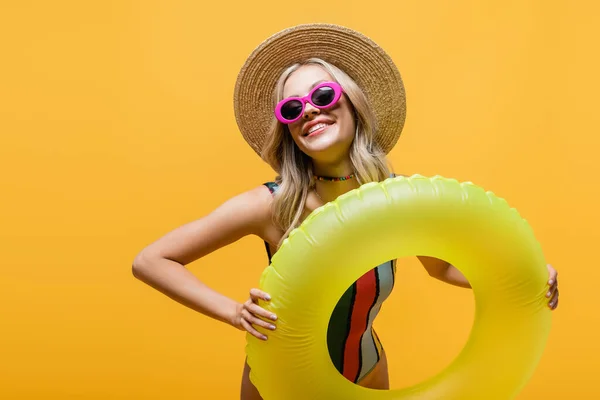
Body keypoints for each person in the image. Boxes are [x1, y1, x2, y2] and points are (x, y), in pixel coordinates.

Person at [132, 24, 559, 399]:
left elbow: (442, 268)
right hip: (281, 380)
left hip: (367, 370)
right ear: (288, 128)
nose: (310, 111)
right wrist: (232, 311)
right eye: (292, 108)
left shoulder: (397, 199)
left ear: (352, 102)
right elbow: (151, 260)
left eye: (322, 94)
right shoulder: (272, 204)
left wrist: (523, 277)